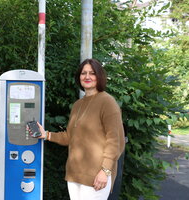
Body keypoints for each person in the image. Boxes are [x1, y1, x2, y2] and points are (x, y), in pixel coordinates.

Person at [32, 58, 125, 200]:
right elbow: (70, 136)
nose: (87, 77)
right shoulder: (77, 105)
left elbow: (115, 141)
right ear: (79, 77)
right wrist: (46, 135)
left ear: (99, 76)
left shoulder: (107, 102)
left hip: (96, 176)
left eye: (92, 73)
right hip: (75, 175)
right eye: (83, 73)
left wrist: (105, 171)